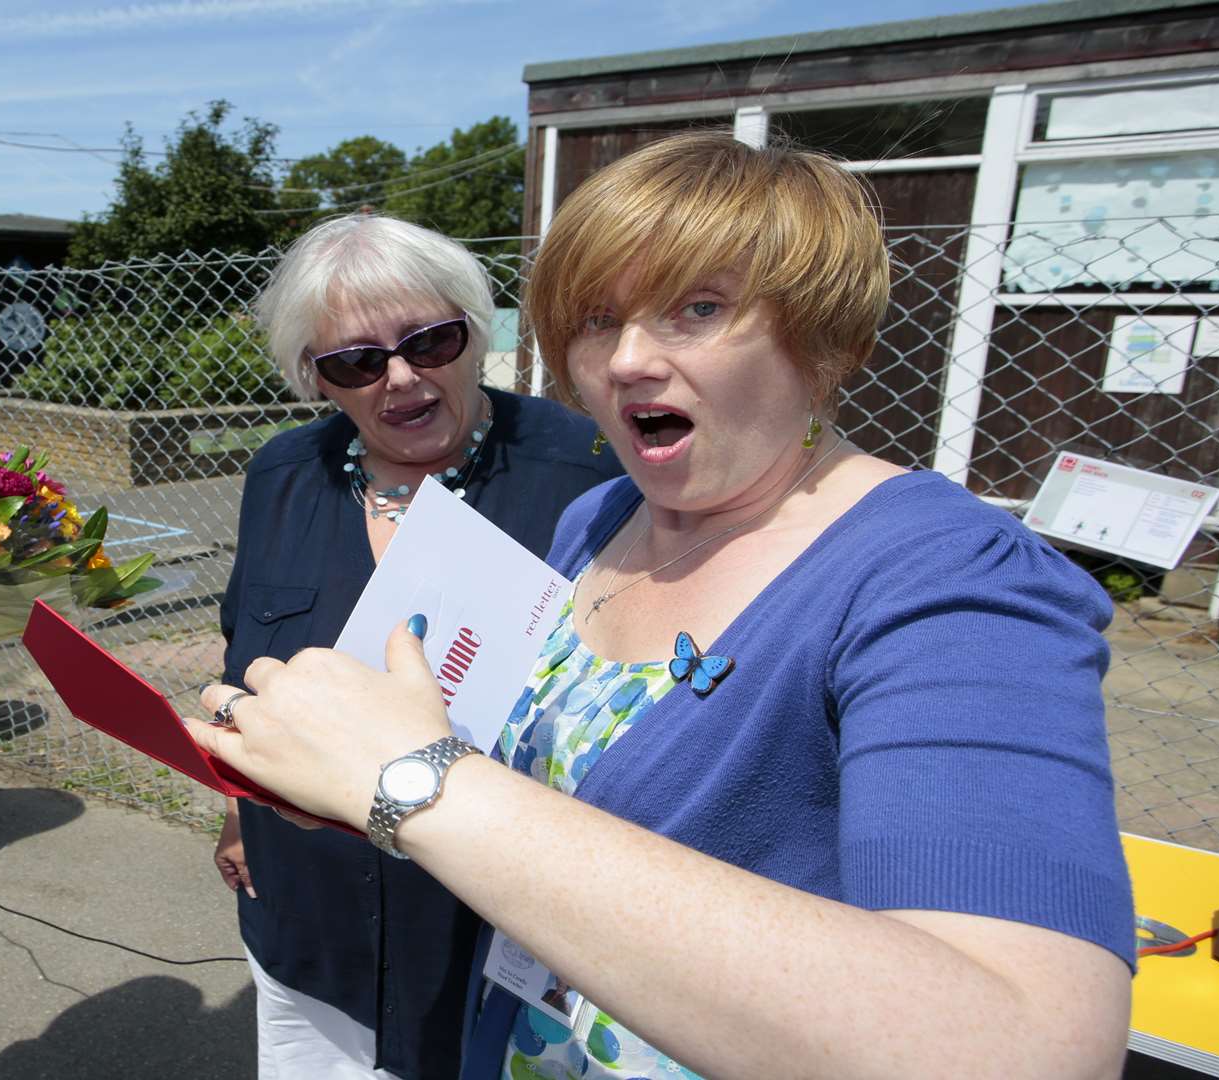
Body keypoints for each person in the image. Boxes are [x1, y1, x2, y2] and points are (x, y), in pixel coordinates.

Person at [191, 132, 1134, 1080]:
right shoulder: (601, 521)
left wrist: (415, 782)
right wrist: (350, 781)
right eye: (599, 319)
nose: (629, 359)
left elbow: (1024, 1045)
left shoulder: (947, 581)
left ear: (826, 336)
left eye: (700, 308)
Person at [213, 213, 622, 1079]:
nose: (401, 378)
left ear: (477, 333)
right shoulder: (283, 476)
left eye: (430, 342)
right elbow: (240, 652)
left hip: (490, 934)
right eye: (356, 361)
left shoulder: (588, 469)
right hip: (310, 919)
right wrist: (239, 815)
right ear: (314, 379)